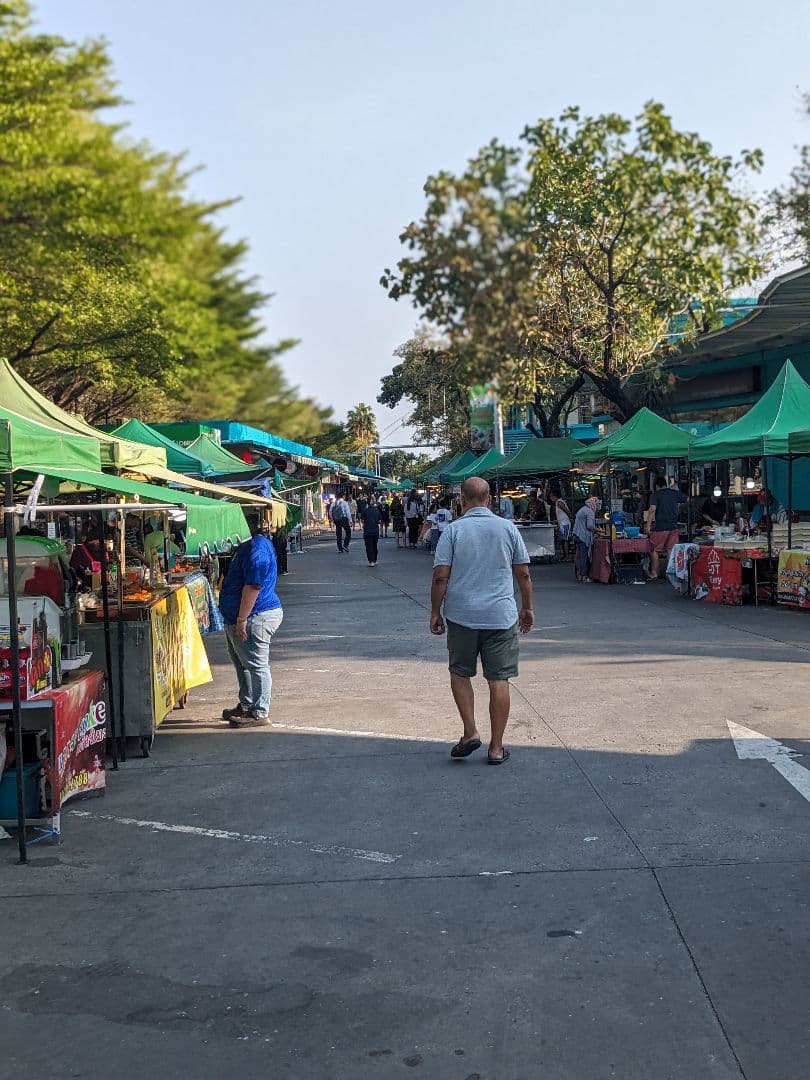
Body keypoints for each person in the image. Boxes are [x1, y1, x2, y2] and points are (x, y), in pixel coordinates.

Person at [430, 476, 534, 765]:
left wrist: (435, 611)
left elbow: (441, 577)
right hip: (500, 617)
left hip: (462, 615)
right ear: (489, 499)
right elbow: (523, 574)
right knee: (499, 679)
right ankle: (496, 747)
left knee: (460, 673)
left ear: (462, 499)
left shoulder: (453, 531)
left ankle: (470, 731)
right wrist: (527, 608)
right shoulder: (508, 528)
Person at [219, 522, 283, 726]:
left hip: (256, 615)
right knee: (242, 663)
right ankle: (247, 704)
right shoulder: (250, 546)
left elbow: (254, 585)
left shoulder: (257, 549)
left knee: (256, 665)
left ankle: (259, 712)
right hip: (244, 615)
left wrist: (241, 619)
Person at [647, 477, 687, 580]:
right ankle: (670, 573)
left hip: (660, 527)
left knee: (654, 550)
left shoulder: (655, 494)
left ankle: (654, 573)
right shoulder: (674, 493)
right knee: (670, 549)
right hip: (673, 526)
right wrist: (678, 508)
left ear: (656, 486)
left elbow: (652, 509)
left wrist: (648, 525)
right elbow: (687, 499)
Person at [573, 496, 600, 582]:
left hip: (577, 534)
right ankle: (584, 576)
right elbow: (590, 526)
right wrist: (598, 530)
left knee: (580, 556)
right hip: (582, 536)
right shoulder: (589, 512)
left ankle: (580, 575)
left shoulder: (583, 509)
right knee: (584, 557)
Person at [548, 489, 573, 561]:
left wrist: (571, 517)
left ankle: (567, 556)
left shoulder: (559, 502)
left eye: (551, 496)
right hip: (562, 524)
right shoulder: (557, 503)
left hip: (565, 523)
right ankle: (565, 555)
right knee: (563, 539)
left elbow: (566, 511)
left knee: (565, 539)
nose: (550, 498)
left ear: (554, 496)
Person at [360, 499, 383, 565]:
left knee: (369, 546)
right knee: (374, 546)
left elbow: (362, 520)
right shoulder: (377, 511)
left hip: (367, 531)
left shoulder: (365, 511)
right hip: (375, 531)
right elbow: (380, 521)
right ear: (374, 504)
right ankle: (375, 560)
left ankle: (371, 561)